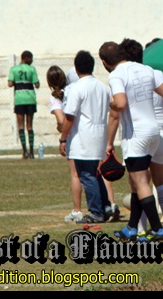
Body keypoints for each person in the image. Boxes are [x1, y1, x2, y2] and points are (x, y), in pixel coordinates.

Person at [99, 41, 163, 242]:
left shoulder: (117, 75)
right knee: (143, 183)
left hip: (136, 134)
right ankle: (132, 227)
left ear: (104, 62)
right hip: (156, 131)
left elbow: (119, 105)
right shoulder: (147, 70)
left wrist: (109, 103)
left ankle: (156, 227)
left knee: (139, 182)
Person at [119, 38, 163, 239]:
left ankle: (144, 229)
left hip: (140, 132)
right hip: (160, 130)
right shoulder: (157, 74)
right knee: (162, 182)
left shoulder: (126, 75)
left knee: (138, 182)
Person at [58, 51, 113, 224]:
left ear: (76, 68)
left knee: (86, 175)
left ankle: (96, 211)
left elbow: (69, 117)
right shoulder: (103, 87)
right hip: (99, 134)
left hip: (83, 136)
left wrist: (63, 138)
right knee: (95, 174)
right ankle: (105, 207)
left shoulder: (77, 88)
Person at [47, 65, 84, 223]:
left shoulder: (55, 98)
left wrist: (60, 131)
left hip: (72, 137)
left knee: (75, 174)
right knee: (93, 172)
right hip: (86, 133)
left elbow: (62, 121)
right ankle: (105, 205)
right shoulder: (73, 90)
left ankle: (77, 210)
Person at [8, 50, 40, 159]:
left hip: (19, 99)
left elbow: (10, 83)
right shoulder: (32, 69)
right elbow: (37, 85)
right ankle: (31, 152)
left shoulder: (14, 69)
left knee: (21, 126)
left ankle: (24, 152)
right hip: (30, 99)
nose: (32, 61)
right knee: (30, 125)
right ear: (26, 58)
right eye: (31, 59)